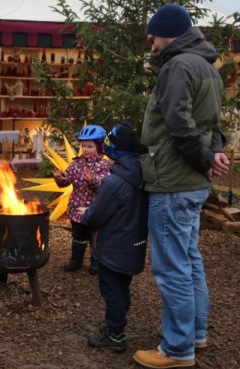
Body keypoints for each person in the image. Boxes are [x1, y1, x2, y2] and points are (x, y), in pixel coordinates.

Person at [133, 4, 230, 369]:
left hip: (171, 181)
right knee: (190, 262)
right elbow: (213, 127)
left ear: (167, 32)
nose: (151, 42)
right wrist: (213, 155)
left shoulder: (177, 66)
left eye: (154, 35)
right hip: (191, 184)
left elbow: (178, 122)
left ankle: (176, 350)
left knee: (172, 268)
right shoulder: (208, 68)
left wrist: (206, 159)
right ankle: (196, 334)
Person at [79, 123, 148, 353]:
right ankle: (117, 320)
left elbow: (96, 215)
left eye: (111, 142)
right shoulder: (140, 174)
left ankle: (116, 334)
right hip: (132, 247)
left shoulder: (113, 182)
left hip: (112, 249)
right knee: (122, 287)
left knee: (111, 291)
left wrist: (85, 213)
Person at [53, 125, 110, 274]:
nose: (85, 149)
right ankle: (75, 261)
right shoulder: (76, 163)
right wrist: (60, 179)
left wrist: (94, 180)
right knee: (78, 235)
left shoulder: (105, 165)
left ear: (99, 146)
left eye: (89, 146)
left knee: (94, 237)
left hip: (94, 210)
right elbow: (67, 181)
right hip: (76, 208)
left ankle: (96, 262)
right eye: (83, 145)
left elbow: (107, 185)